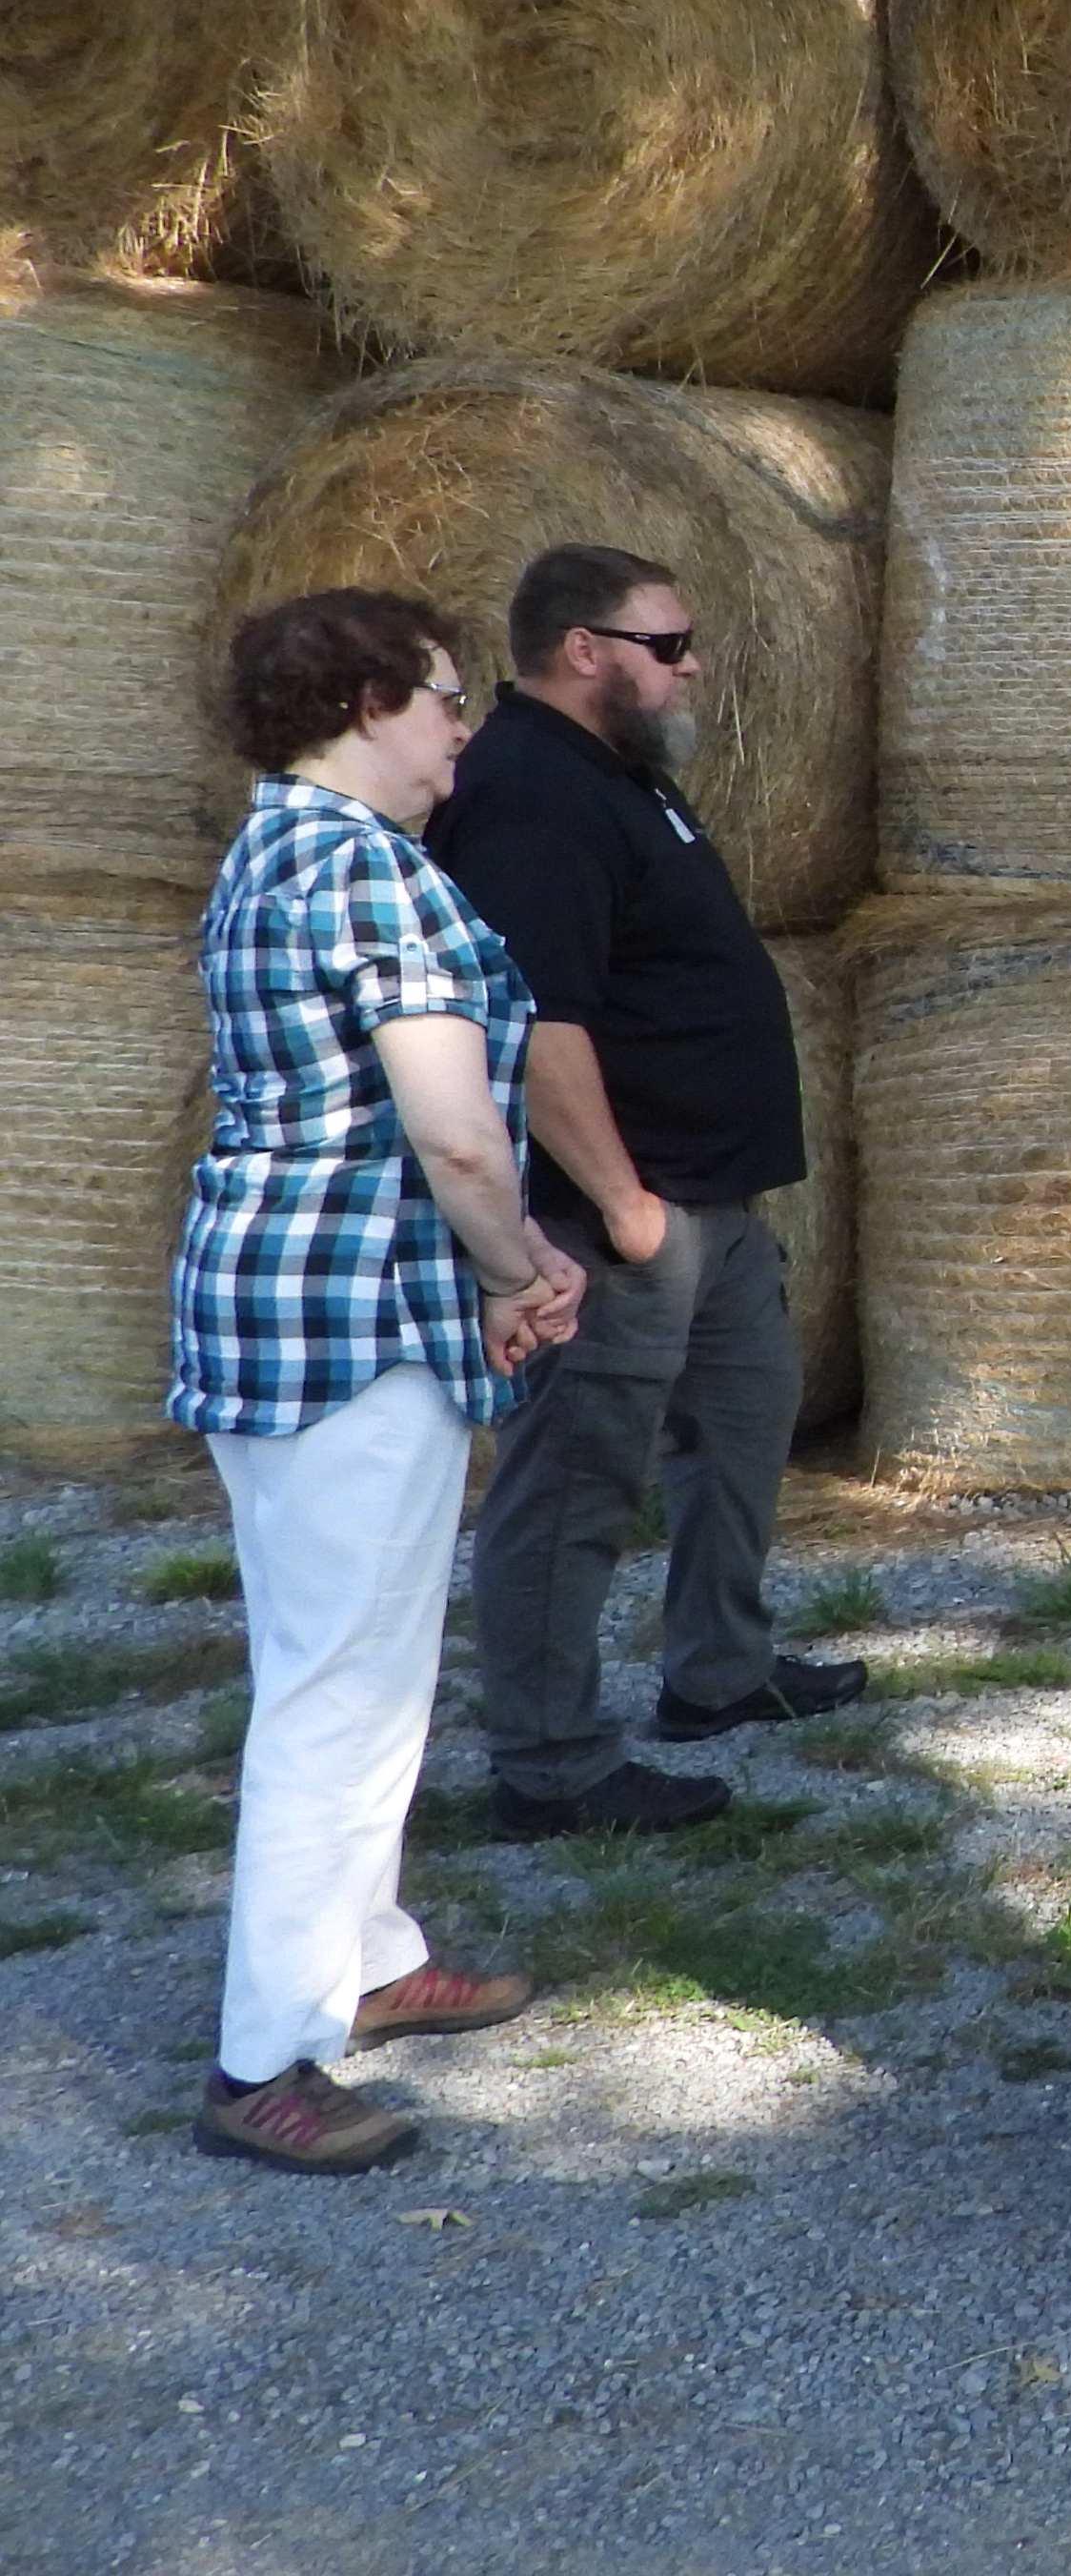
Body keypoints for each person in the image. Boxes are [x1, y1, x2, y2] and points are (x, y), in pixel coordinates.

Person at [170, 590, 586, 2173]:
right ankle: (263, 2057)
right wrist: (517, 1266)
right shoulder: (371, 871)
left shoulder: (272, 845)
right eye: (438, 698)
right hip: (352, 1318)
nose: (461, 729)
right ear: (360, 699)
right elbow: (457, 1127)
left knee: (348, 1658)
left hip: (276, 1301)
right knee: (338, 1690)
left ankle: (369, 1952)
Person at [432, 545, 859, 1843]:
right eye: (668, 647)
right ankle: (550, 1763)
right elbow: (541, 1027)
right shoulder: (528, 794)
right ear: (583, 649)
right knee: (578, 1473)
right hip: (623, 1213)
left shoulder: (614, 779)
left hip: (705, 1203)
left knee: (741, 1421)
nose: (694, 668)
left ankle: (718, 1674)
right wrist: (621, 1205)